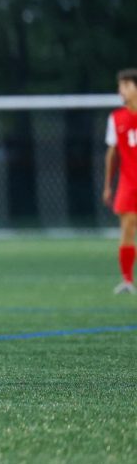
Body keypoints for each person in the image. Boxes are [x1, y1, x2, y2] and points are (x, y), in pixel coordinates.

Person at [103, 68, 137, 294]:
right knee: (127, 228)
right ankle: (127, 280)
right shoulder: (116, 118)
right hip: (129, 181)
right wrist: (107, 185)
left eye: (125, 85)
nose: (121, 90)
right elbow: (112, 153)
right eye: (120, 86)